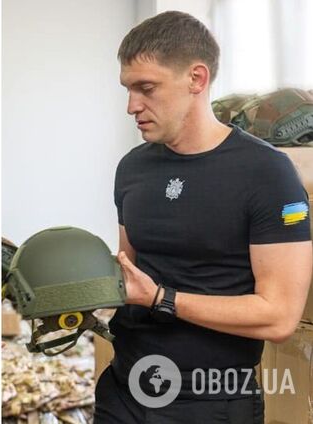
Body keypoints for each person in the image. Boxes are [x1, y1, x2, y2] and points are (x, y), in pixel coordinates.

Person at [95, 10, 312, 424]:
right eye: (127, 89)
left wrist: (163, 299)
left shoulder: (267, 173)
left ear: (196, 79)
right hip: (123, 390)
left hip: (210, 401)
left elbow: (280, 315)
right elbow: (131, 276)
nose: (131, 106)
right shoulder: (131, 168)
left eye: (146, 88)